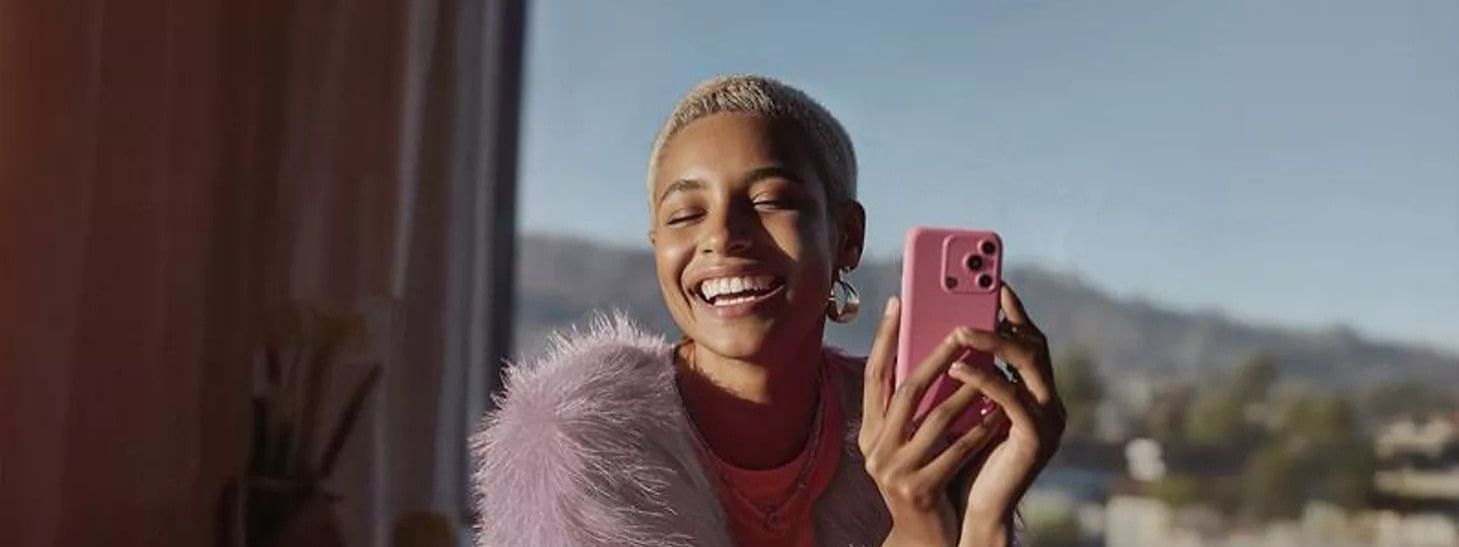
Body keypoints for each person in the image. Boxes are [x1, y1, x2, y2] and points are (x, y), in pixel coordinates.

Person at [471, 74, 1066, 546]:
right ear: (658, 247)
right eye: (685, 214)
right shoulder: (575, 449)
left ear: (847, 238)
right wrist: (915, 534)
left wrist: (984, 520)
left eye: (770, 200)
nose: (722, 236)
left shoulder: (916, 434)